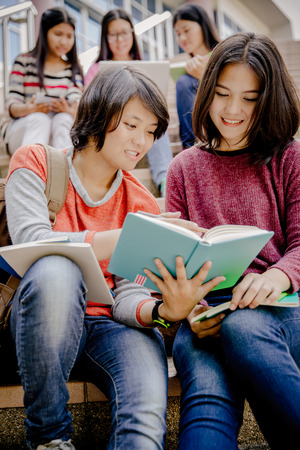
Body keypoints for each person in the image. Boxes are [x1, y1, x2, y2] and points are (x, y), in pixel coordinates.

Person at [5, 64, 216, 450]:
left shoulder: (141, 200)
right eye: (132, 125)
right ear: (99, 114)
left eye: (152, 131)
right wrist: (131, 236)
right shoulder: (36, 161)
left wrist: (163, 312)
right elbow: (33, 242)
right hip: (42, 319)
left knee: (146, 421)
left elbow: (128, 296)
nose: (143, 141)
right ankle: (50, 438)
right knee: (56, 270)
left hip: (112, 329)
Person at [145, 32, 300, 449]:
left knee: (245, 326)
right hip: (204, 317)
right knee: (207, 401)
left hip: (279, 310)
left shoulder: (289, 157)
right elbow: (171, 260)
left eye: (250, 98)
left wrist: (280, 276)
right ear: (206, 91)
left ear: (269, 101)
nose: (232, 110)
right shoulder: (182, 168)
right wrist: (188, 308)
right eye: (221, 94)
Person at [85, 8, 173, 197]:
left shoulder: (147, 68)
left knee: (154, 126)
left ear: (133, 34)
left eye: (124, 33)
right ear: (105, 38)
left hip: (142, 119)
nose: (120, 40)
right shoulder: (95, 70)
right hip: (112, 122)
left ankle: (165, 182)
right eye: (113, 35)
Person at [2, 7, 83, 155]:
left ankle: (63, 172)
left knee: (64, 118)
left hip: (58, 132)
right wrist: (31, 108)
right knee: (40, 119)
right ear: (45, 33)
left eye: (69, 36)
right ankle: (30, 172)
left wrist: (68, 110)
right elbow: (12, 106)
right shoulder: (24, 62)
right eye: (58, 34)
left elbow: (78, 105)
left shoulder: (73, 69)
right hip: (23, 131)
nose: (64, 41)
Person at [173, 3, 220, 149]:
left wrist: (204, 78)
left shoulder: (225, 54)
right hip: (199, 125)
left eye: (186, 30)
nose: (182, 38)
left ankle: (191, 149)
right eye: (178, 33)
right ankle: (191, 151)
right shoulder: (187, 70)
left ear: (203, 26)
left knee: (184, 82)